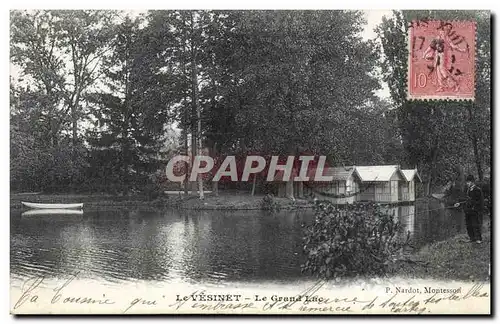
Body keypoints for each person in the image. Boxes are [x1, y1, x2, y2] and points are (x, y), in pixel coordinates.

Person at [455, 175, 484, 243]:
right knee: (468, 225)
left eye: (468, 182)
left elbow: (479, 201)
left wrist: (474, 207)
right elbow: (466, 200)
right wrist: (459, 203)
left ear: (472, 182)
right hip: (468, 211)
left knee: (475, 224)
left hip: (474, 210)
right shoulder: (468, 190)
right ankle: (472, 238)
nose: (467, 183)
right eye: (467, 182)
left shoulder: (477, 189)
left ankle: (478, 239)